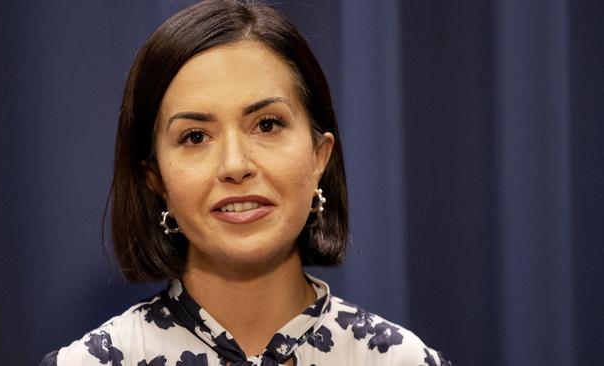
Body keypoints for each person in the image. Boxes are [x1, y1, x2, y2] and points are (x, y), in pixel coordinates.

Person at [41, 1, 451, 365]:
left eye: (267, 125)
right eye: (195, 136)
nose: (235, 165)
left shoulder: (400, 360)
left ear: (319, 157)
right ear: (155, 178)